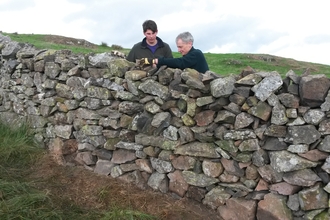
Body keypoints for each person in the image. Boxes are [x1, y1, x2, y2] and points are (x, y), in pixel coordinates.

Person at [140, 31, 209, 73]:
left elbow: (180, 63)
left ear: (190, 44)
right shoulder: (189, 56)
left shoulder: (197, 54)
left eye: (180, 47)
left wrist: (157, 61)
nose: (178, 50)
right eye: (178, 47)